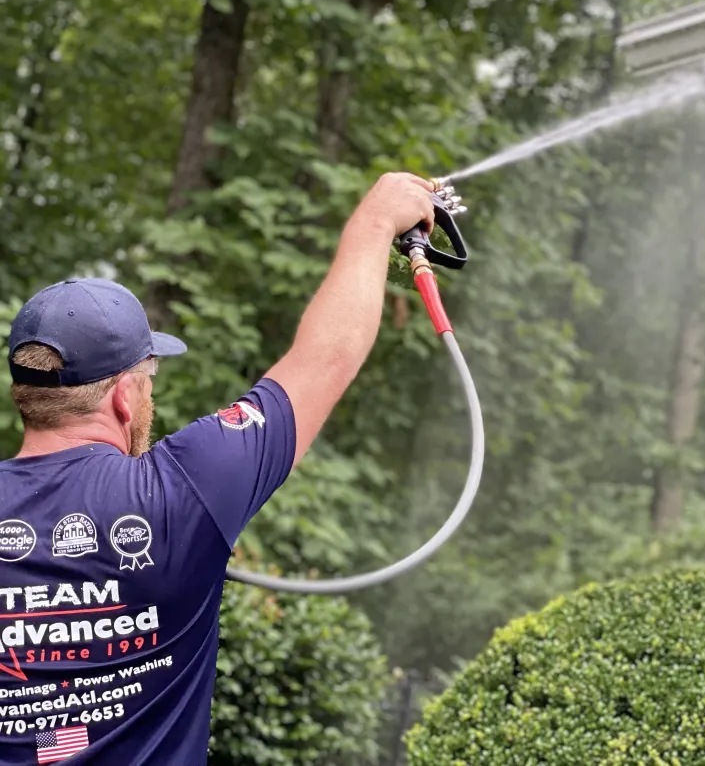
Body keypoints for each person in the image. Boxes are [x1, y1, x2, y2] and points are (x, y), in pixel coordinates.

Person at [0, 173, 436, 765]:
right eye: (148, 379)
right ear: (125, 396)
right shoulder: (181, 490)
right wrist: (375, 222)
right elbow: (326, 359)